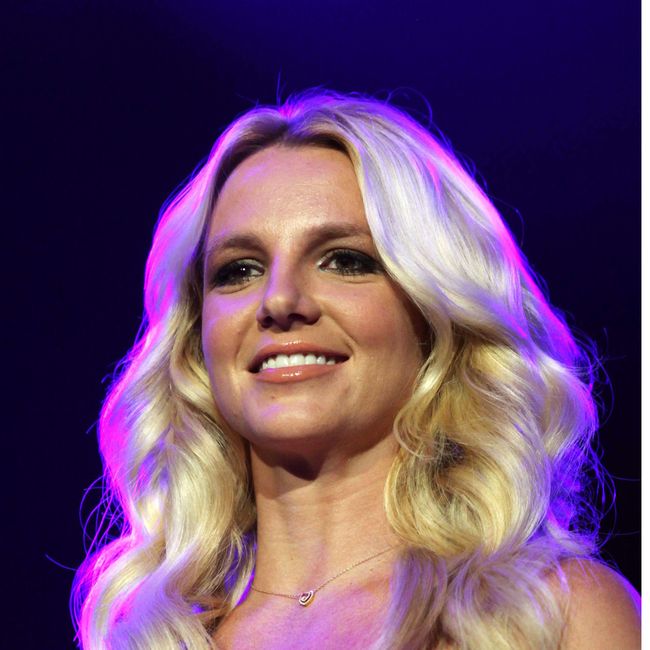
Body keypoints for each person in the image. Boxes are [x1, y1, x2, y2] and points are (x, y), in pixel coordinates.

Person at [72, 91, 640, 649]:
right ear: (198, 341)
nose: (279, 300)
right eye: (239, 270)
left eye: (345, 260)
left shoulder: (554, 617)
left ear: (436, 319)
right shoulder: (150, 637)